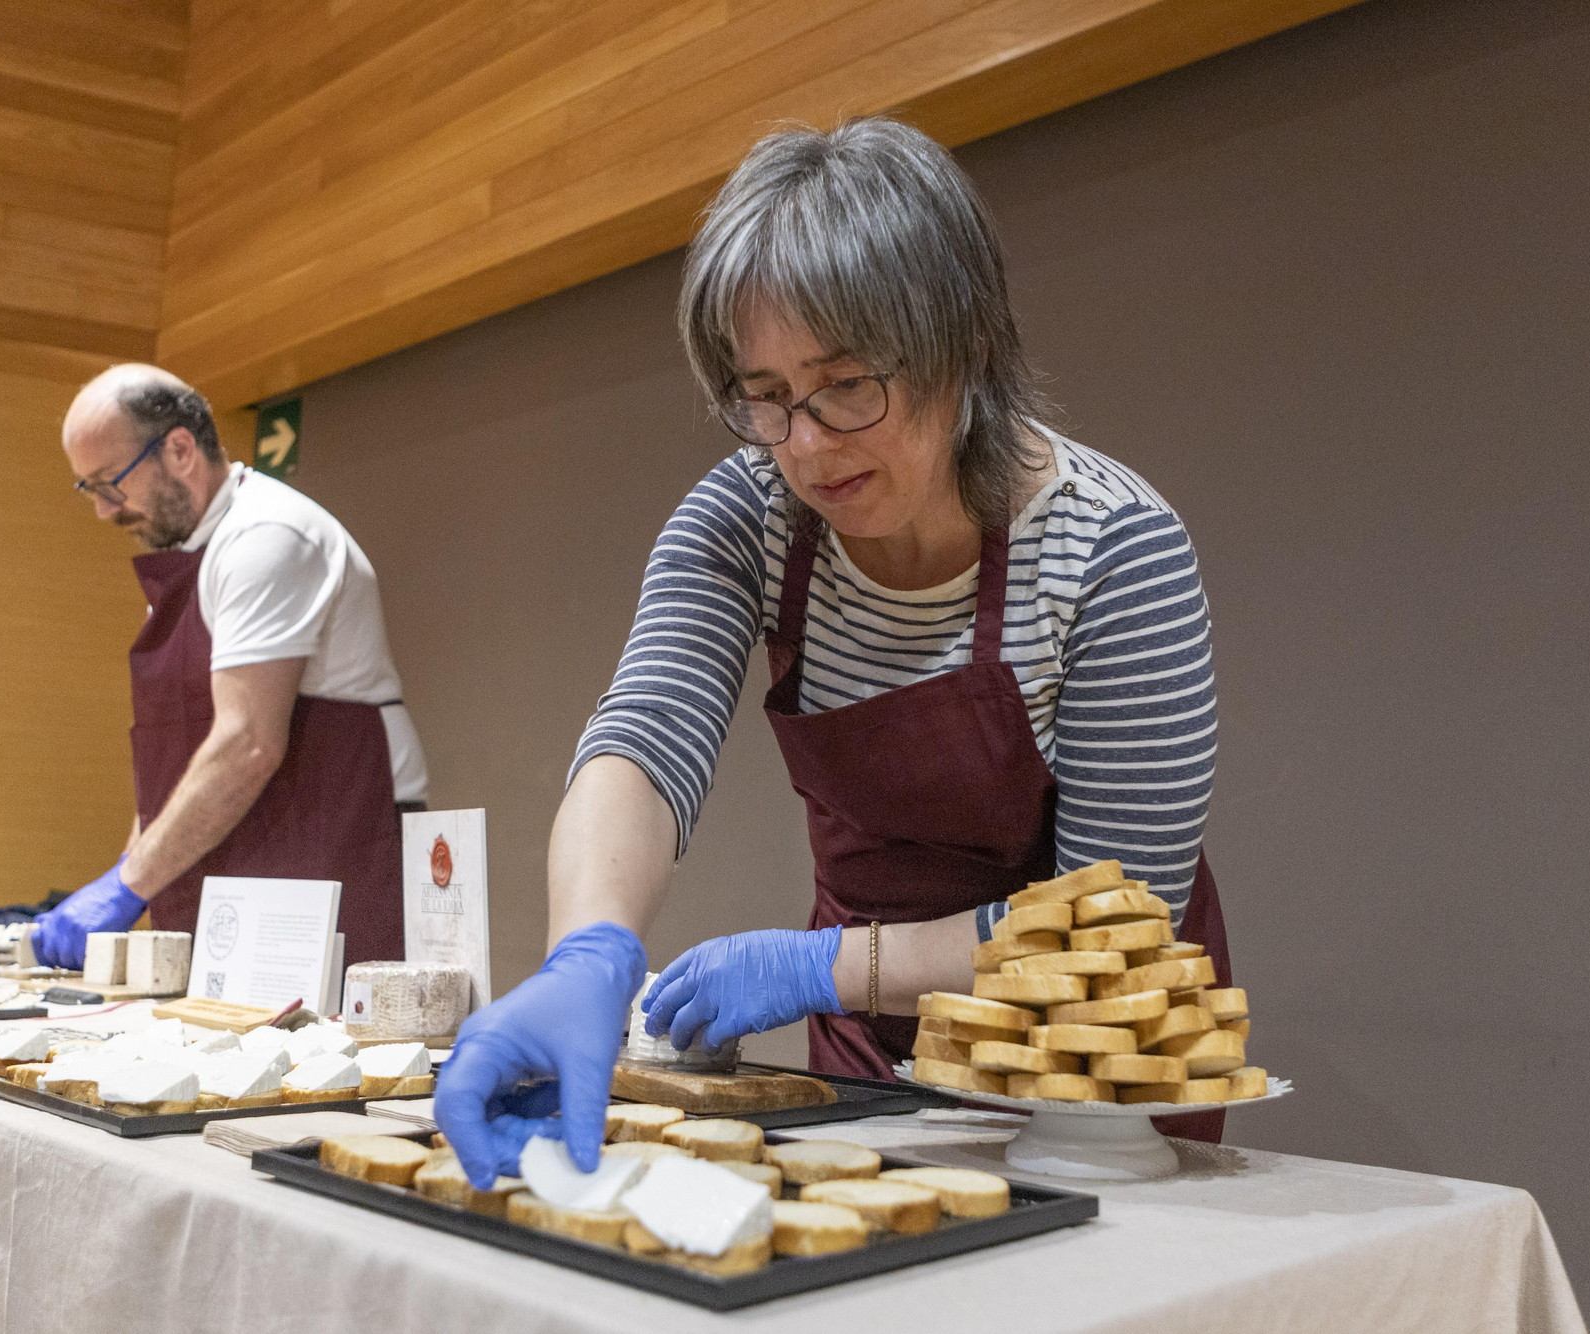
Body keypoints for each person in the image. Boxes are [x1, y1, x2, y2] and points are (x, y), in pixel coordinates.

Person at [435, 119, 1230, 1188]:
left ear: (969, 345)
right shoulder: (747, 519)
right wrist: (587, 947)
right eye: (762, 395)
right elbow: (642, 736)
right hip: (862, 1036)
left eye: (846, 382)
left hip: (1088, 1069)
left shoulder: (1110, 547)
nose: (803, 444)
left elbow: (1116, 911)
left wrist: (827, 964)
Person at [34, 365, 429, 974]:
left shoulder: (266, 537)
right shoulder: (195, 553)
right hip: (252, 840)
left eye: (109, 484)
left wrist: (126, 886)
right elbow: (180, 757)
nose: (105, 513)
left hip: (334, 832)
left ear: (180, 449)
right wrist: (129, 867)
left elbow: (247, 744)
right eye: (90, 490)